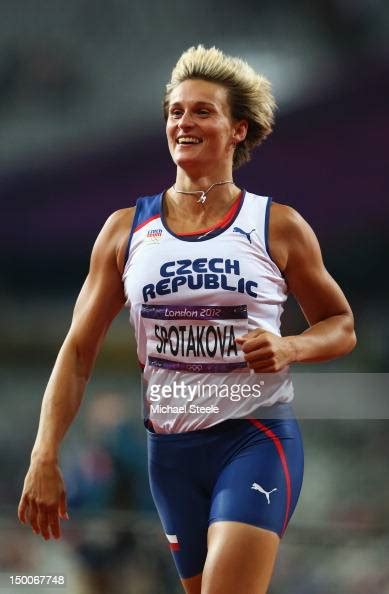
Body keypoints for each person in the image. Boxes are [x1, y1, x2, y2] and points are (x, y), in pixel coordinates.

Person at [18, 45, 356, 594]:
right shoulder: (125, 231)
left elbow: (341, 324)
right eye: (175, 111)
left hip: (253, 441)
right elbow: (78, 352)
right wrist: (45, 452)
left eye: (203, 111)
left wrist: (291, 347)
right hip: (171, 455)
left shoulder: (277, 225)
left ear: (237, 129)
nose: (184, 121)